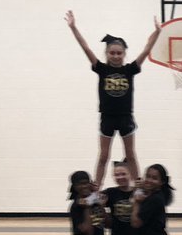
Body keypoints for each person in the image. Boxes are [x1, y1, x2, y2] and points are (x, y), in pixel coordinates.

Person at [65, 10, 163, 187]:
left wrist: (157, 32)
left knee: (131, 154)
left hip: (125, 117)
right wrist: (73, 27)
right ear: (107, 54)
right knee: (103, 156)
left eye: (119, 53)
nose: (116, 56)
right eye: (112, 53)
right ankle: (97, 187)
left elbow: (146, 49)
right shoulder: (101, 69)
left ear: (124, 54)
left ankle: (138, 187)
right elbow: (85, 47)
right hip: (107, 117)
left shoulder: (130, 70)